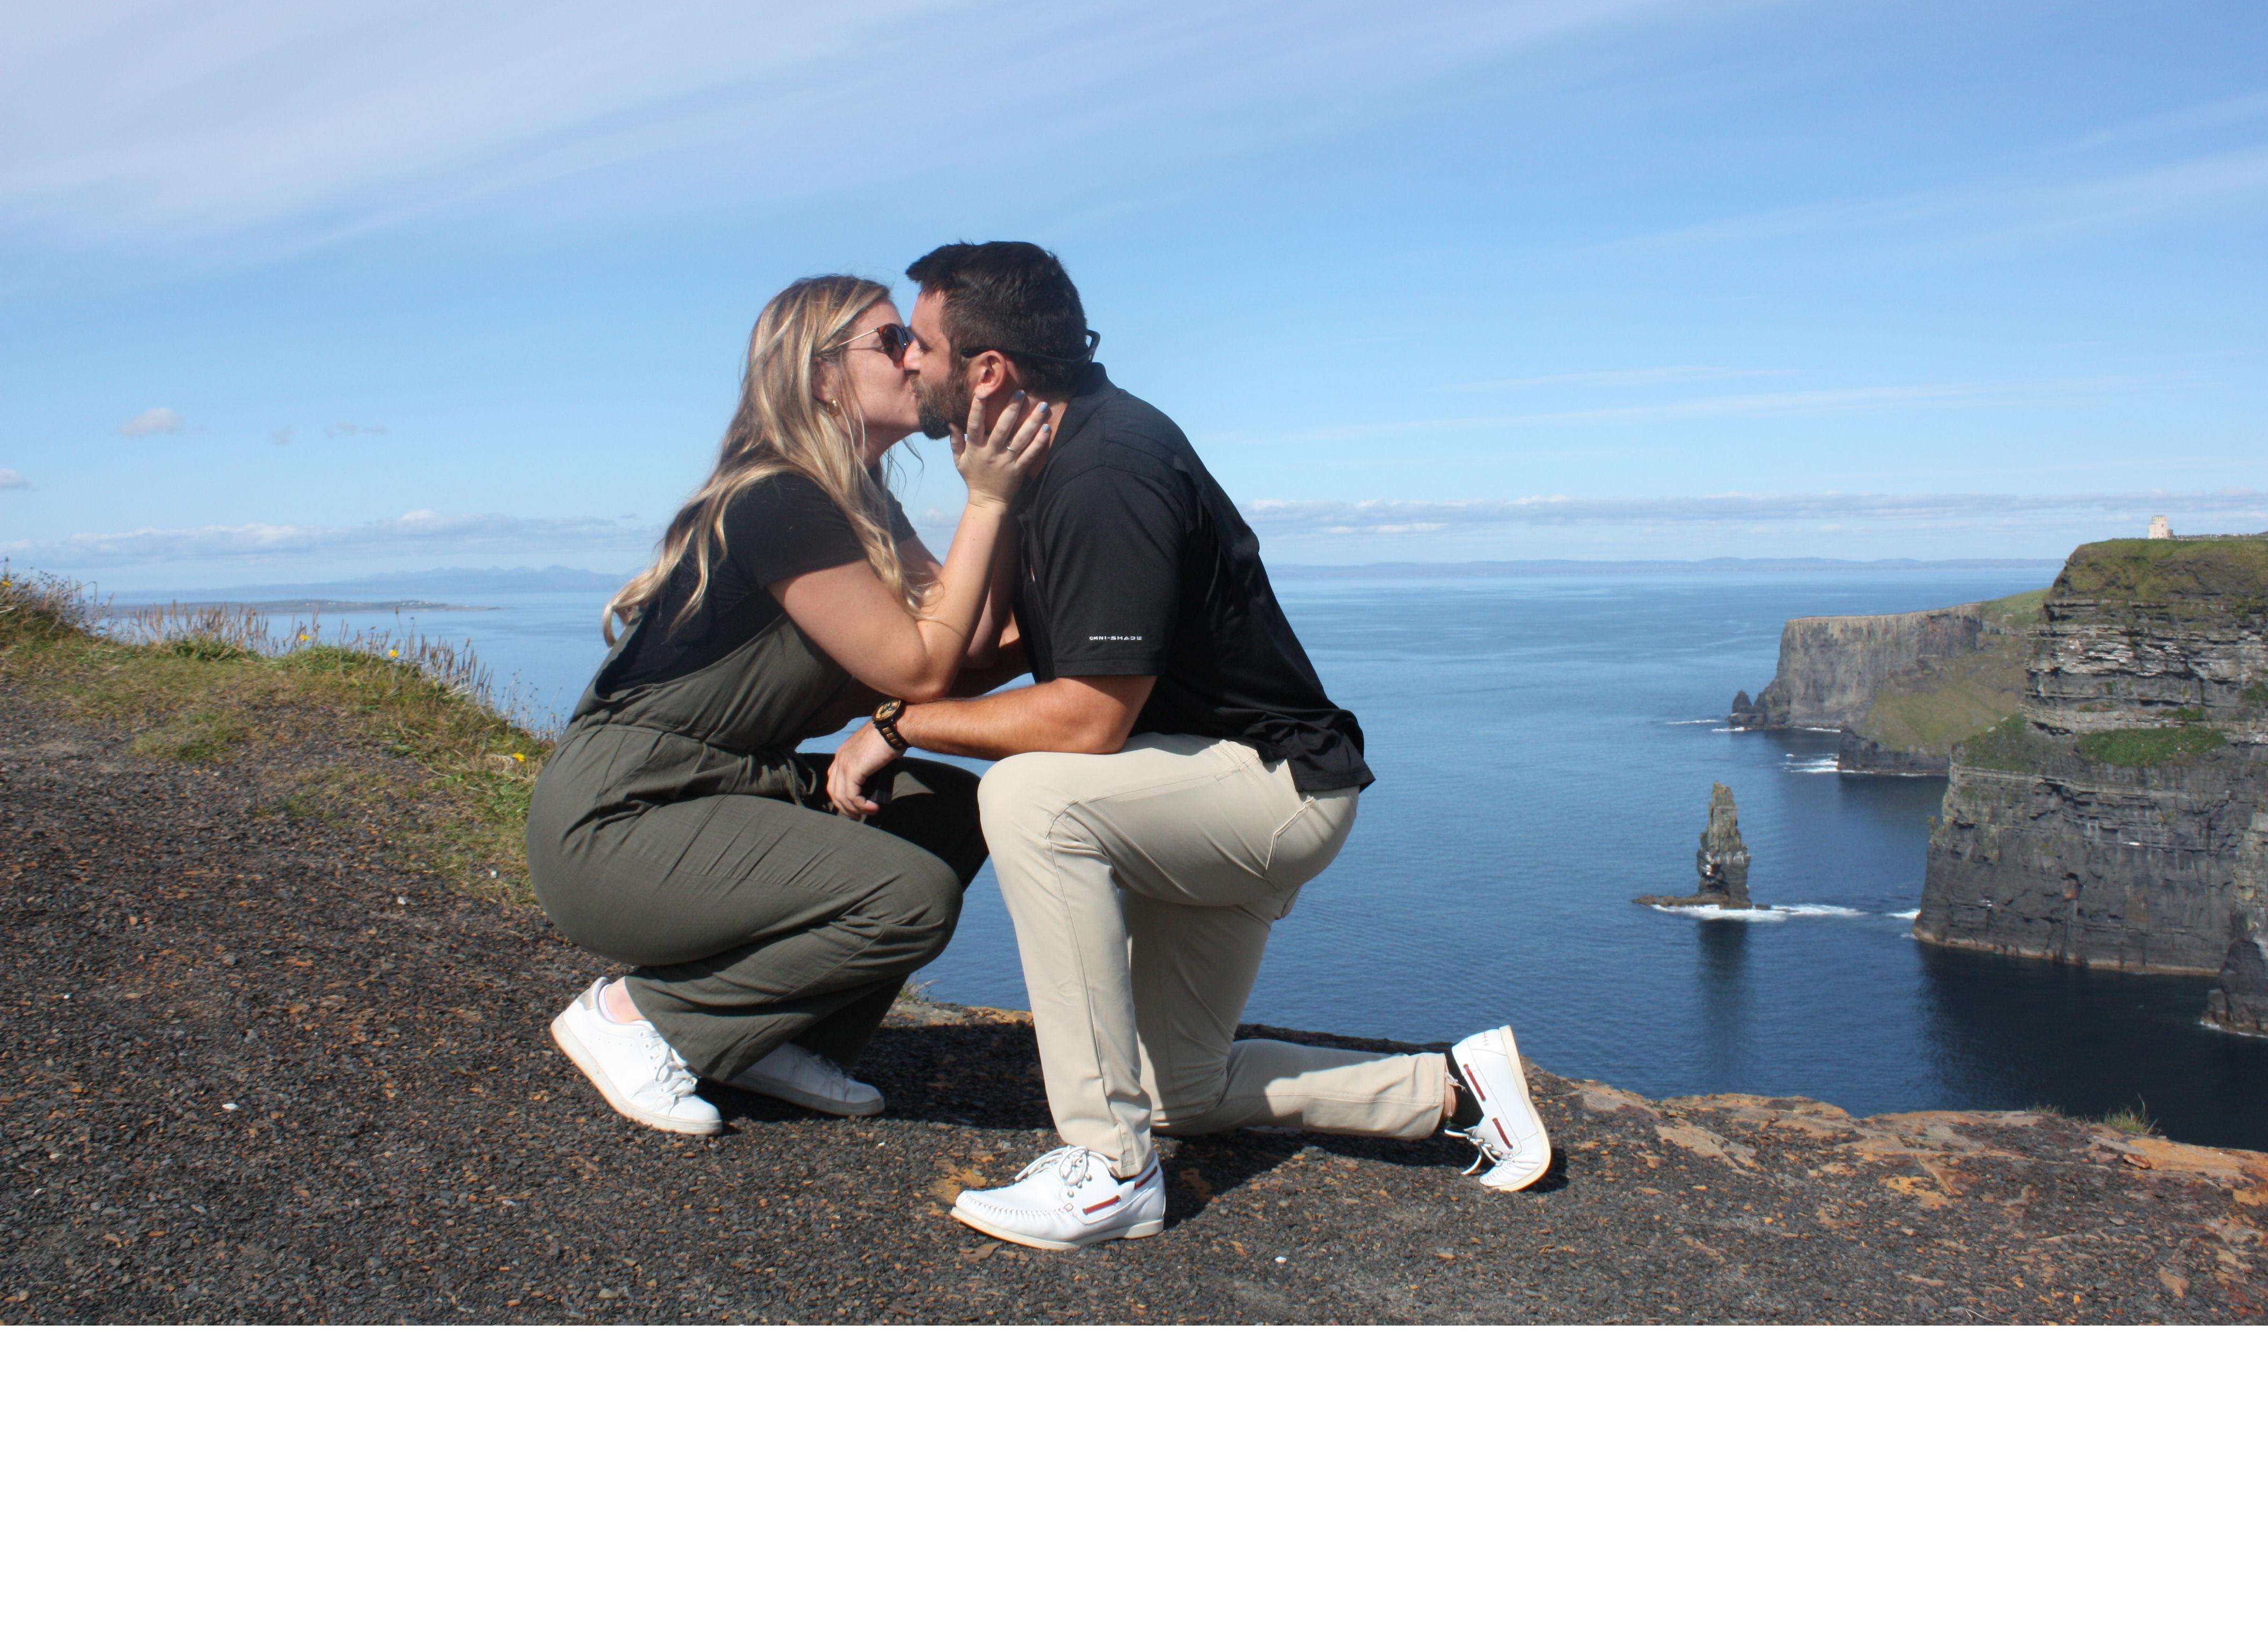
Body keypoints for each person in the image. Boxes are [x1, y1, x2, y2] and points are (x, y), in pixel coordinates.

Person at [826, 241, 1552, 1251]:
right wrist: (978, 512)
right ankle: (1455, 1091)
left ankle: (1111, 1172)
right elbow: (981, 652)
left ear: (987, 371)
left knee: (1032, 798)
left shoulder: (1107, 471)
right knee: (1179, 1087)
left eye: (923, 343)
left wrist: (896, 729)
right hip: (1194, 788)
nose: (908, 361)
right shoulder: (1044, 459)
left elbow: (1088, 721)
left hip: (1269, 792)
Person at [528, 273, 1052, 1138]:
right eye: (892, 342)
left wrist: (1041, 539)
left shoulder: (860, 501)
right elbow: (921, 671)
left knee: (951, 810)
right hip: (621, 813)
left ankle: (772, 1036)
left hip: (722, 786)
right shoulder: (781, 501)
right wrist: (990, 499)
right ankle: (644, 1016)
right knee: (909, 895)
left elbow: (964, 652)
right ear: (821, 376)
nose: (917, 358)